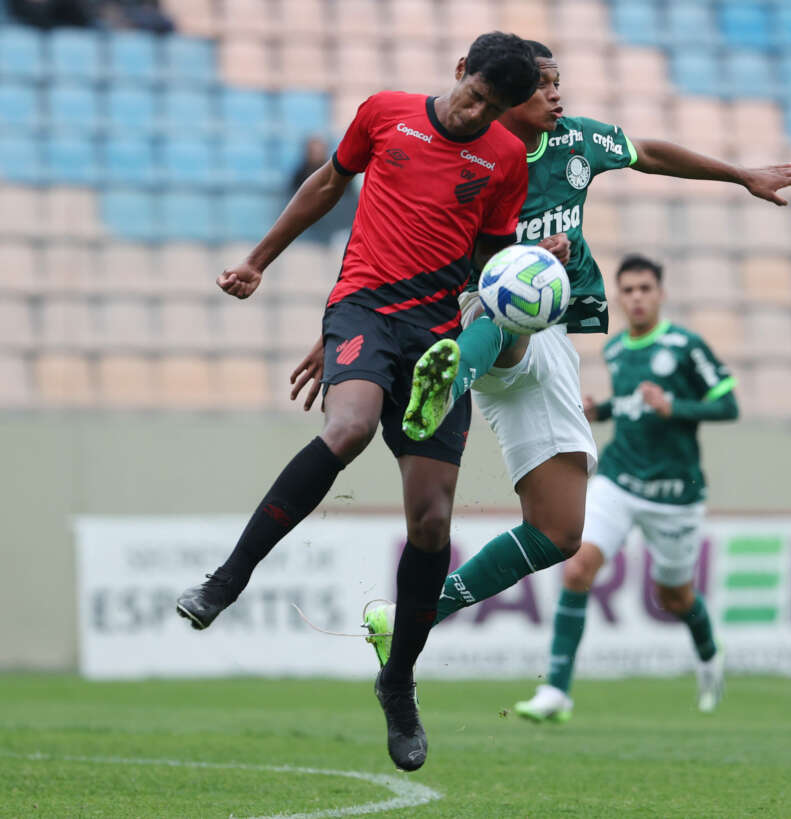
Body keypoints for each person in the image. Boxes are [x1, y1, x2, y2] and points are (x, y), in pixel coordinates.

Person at [288, 41, 791, 676]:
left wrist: (741, 175)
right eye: (541, 86)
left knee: (560, 532)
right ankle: (447, 380)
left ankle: (409, 618)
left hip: (552, 339)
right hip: (472, 317)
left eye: (558, 83)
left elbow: (649, 153)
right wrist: (343, 328)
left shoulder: (577, 143)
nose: (556, 95)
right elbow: (387, 245)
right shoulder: (470, 154)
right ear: (504, 97)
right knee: (513, 290)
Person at [174, 31, 539, 772]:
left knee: (431, 519)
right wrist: (258, 261)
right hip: (365, 309)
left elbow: (489, 262)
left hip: (437, 335)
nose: (476, 114)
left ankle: (397, 681)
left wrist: (524, 280)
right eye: (474, 96)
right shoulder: (385, 113)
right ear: (459, 70)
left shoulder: (505, 158)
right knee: (349, 426)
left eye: (492, 108)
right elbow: (326, 186)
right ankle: (225, 581)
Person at [515, 254, 738, 721]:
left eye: (645, 289)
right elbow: (634, 403)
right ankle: (556, 691)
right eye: (629, 290)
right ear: (619, 296)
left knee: (674, 597)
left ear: (661, 294)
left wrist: (675, 407)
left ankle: (709, 655)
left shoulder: (685, 345)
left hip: (674, 493)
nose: (637, 298)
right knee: (577, 569)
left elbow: (727, 405)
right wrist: (602, 410)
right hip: (619, 480)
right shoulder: (616, 349)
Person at [289, 136, 358, 245]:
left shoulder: (338, 171)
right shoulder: (300, 173)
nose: (316, 153)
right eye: (313, 150)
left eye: (319, 150)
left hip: (333, 220)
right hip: (308, 224)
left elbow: (349, 199)